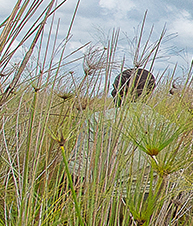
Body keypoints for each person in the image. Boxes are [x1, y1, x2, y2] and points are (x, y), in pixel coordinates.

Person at [67, 67, 169, 195]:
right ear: (150, 92)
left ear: (122, 92)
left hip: (107, 199)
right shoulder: (166, 125)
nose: (112, 93)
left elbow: (77, 168)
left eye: (116, 88)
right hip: (154, 200)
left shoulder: (99, 119)